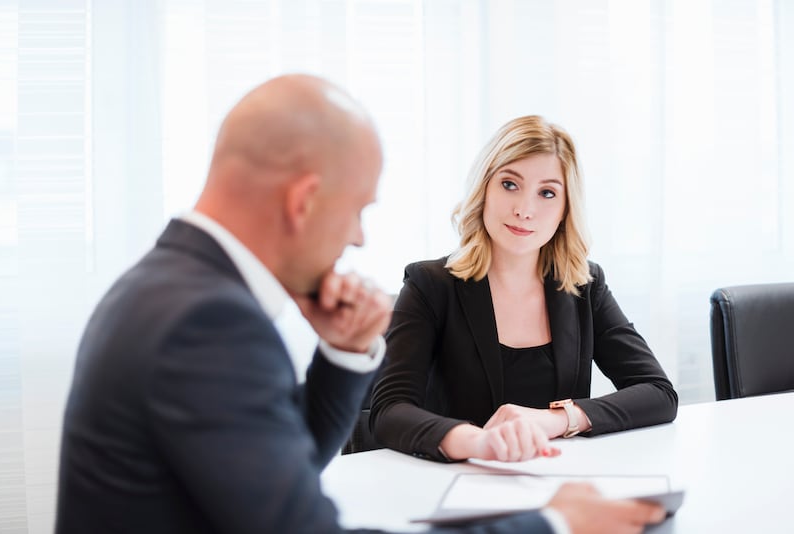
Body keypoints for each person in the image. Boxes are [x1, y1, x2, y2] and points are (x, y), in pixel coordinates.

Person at [54, 78, 666, 534]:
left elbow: (288, 466)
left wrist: (343, 355)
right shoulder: (209, 325)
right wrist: (555, 525)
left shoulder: (171, 287)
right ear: (304, 201)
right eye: (358, 209)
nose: (358, 238)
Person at [370, 115, 678, 464]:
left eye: (547, 193)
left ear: (565, 210)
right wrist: (478, 442)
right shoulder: (430, 285)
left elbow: (659, 393)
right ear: (484, 188)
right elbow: (389, 411)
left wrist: (556, 420)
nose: (524, 210)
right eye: (509, 184)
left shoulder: (584, 286)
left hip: (560, 479)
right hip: (464, 482)